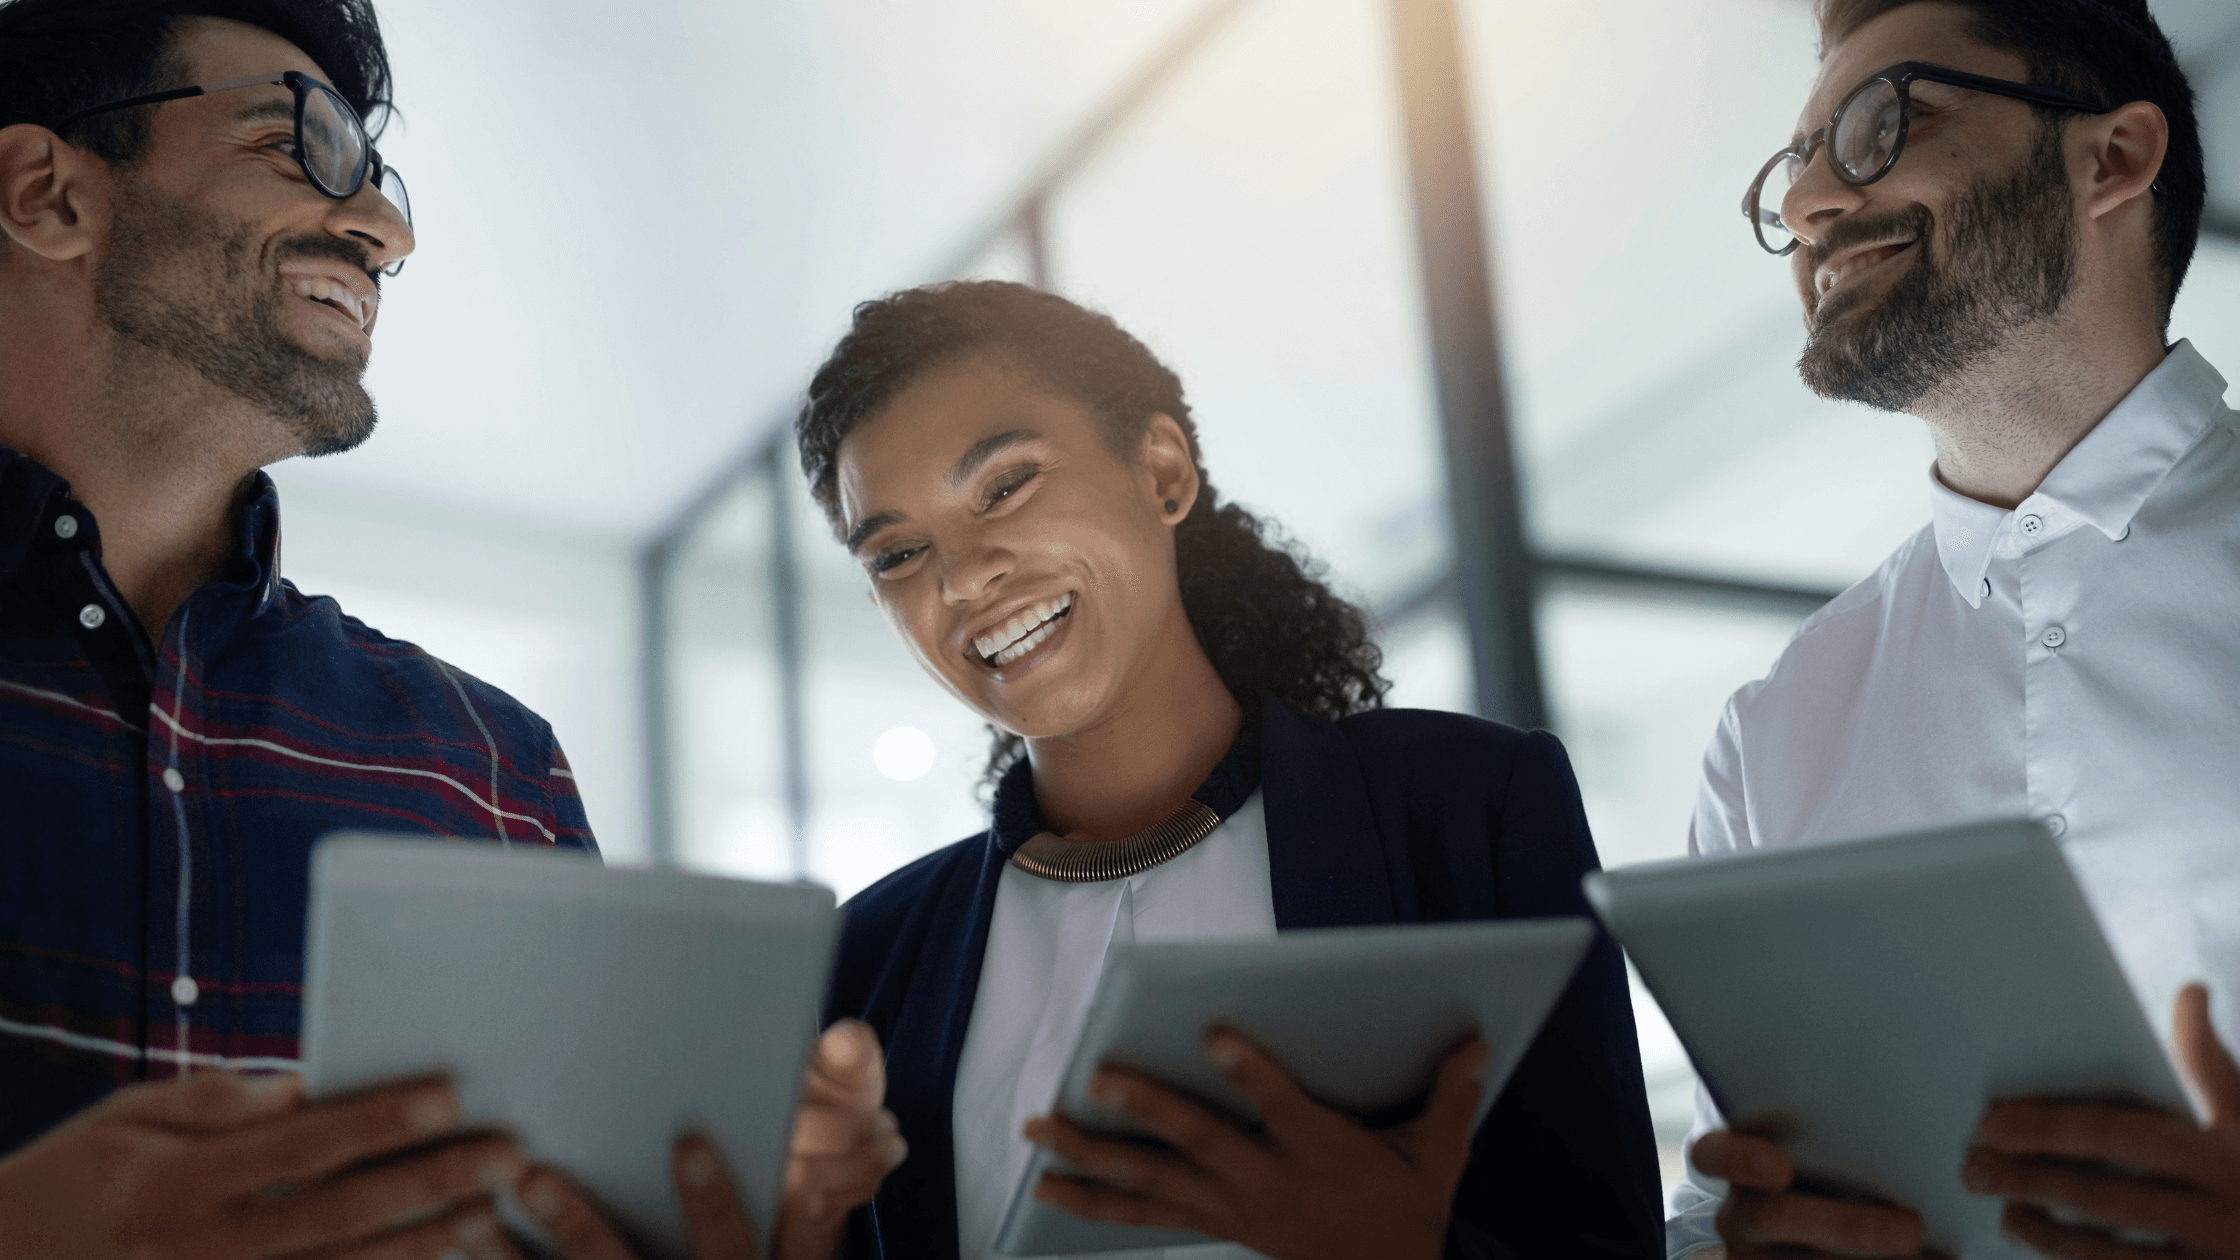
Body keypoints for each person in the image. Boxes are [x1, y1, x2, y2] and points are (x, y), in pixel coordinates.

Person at [0, 4, 900, 1257]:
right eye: (292, 141)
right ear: (48, 194)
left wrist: (753, 1221)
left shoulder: (489, 764)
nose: (386, 230)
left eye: (380, 182)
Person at [797, 279, 1664, 1260]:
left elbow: (1610, 1242)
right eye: (899, 554)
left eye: (1004, 486)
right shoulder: (859, 962)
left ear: (1162, 470)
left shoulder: (1465, 809)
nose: (961, 581)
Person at [1670, 1, 2240, 1256]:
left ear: (2113, 159)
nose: (1812, 202)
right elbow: (1718, 1211)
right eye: (1796, 164)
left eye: (1884, 124)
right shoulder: (1771, 736)